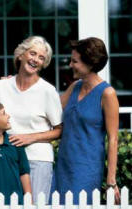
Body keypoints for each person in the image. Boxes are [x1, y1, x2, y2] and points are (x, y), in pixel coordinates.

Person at [0, 36, 62, 203]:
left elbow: (60, 129)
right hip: (6, 157)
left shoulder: (47, 91)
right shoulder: (1, 86)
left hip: (37, 158)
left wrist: (30, 137)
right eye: (32, 53)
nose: (36, 60)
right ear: (21, 54)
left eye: (41, 58)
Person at [51, 37, 120, 204]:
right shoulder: (74, 87)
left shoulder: (107, 94)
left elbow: (113, 139)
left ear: (89, 64)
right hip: (63, 167)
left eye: (75, 61)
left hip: (86, 170)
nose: (70, 65)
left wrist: (111, 181)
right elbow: (50, 111)